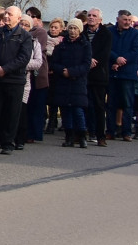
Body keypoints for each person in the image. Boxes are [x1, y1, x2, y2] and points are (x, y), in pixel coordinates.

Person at [0, 6, 32, 155]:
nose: (6, 16)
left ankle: (7, 143)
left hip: (15, 80)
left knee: (11, 114)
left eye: (10, 14)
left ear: (18, 18)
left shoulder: (24, 36)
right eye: (5, 13)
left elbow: (23, 58)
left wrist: (5, 69)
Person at [50, 18, 91, 148]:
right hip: (63, 82)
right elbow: (53, 63)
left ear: (80, 30)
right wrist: (63, 71)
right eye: (71, 28)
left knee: (78, 110)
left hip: (78, 82)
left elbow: (86, 64)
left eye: (75, 28)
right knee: (65, 110)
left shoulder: (85, 45)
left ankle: (82, 136)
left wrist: (72, 72)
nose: (73, 31)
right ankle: (69, 137)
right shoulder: (61, 45)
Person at [107, 10, 138, 141]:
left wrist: (121, 61)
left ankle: (126, 132)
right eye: (125, 20)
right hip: (113, 73)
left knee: (127, 104)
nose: (127, 23)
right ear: (118, 19)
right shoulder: (110, 32)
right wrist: (116, 59)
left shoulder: (135, 34)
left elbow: (135, 51)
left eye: (129, 20)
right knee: (111, 104)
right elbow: (108, 49)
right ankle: (111, 131)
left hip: (127, 73)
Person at [83, 8, 112, 144]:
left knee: (99, 106)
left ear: (100, 19)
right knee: (84, 104)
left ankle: (101, 136)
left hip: (99, 74)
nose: (91, 18)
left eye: (94, 16)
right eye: (89, 15)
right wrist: (86, 60)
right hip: (83, 74)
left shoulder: (106, 34)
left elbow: (105, 53)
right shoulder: (82, 32)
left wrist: (93, 61)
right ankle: (85, 132)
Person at [24, 6, 50, 143]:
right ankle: (27, 132)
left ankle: (35, 133)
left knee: (37, 105)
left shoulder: (40, 32)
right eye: (28, 15)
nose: (30, 18)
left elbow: (34, 49)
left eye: (33, 16)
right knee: (28, 105)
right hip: (27, 76)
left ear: (38, 19)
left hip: (38, 74)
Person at [45, 18, 66, 134]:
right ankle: (50, 123)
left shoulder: (62, 42)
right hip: (46, 73)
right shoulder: (45, 39)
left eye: (56, 27)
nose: (53, 29)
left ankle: (57, 122)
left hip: (58, 74)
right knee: (49, 100)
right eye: (52, 27)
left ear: (61, 29)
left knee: (56, 99)